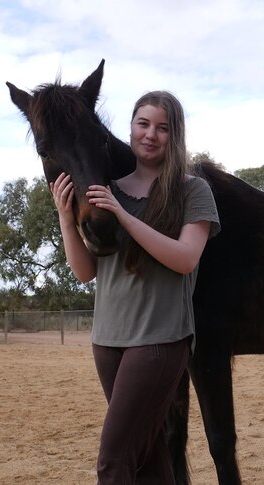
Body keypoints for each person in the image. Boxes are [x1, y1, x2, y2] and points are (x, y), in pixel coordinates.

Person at [50, 90, 220, 484]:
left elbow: (185, 258)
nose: (150, 135)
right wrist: (65, 216)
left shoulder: (191, 190)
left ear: (174, 136)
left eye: (162, 128)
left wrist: (123, 216)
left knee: (113, 461)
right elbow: (85, 272)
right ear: (130, 128)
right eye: (143, 124)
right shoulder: (105, 188)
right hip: (107, 340)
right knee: (147, 455)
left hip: (161, 340)